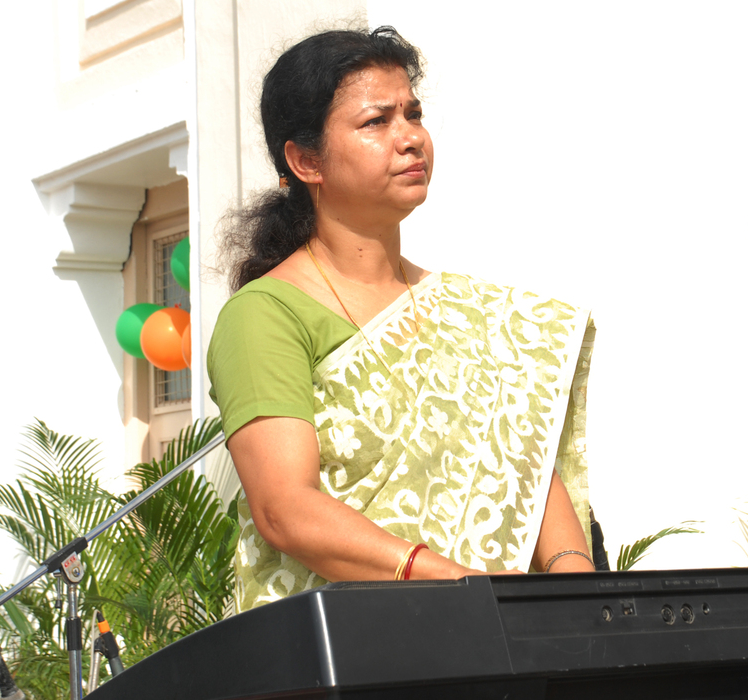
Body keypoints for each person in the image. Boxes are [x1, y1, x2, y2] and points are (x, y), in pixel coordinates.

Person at [208, 26, 596, 611]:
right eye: (376, 121)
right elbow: (285, 508)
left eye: (413, 115)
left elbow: (527, 464)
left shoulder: (471, 312)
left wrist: (576, 586)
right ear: (306, 160)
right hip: (355, 634)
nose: (410, 138)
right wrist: (456, 583)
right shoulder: (266, 315)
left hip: (499, 631)